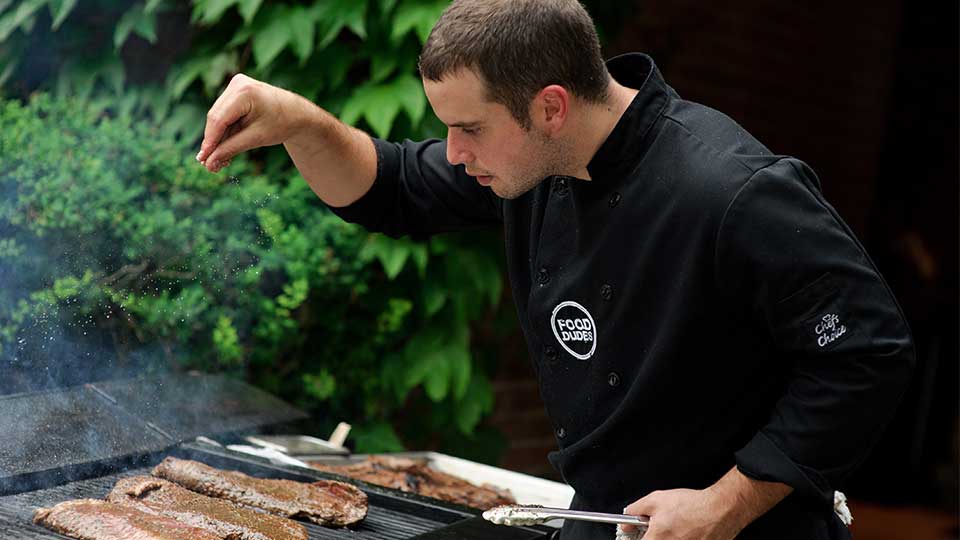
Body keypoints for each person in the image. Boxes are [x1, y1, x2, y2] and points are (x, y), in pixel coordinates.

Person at [195, 1, 915, 538]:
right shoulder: (542, 166)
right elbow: (391, 187)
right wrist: (295, 120)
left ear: (550, 107)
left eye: (468, 128)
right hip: (606, 519)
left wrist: (727, 502)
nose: (451, 152)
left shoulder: (730, 190)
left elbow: (866, 351)